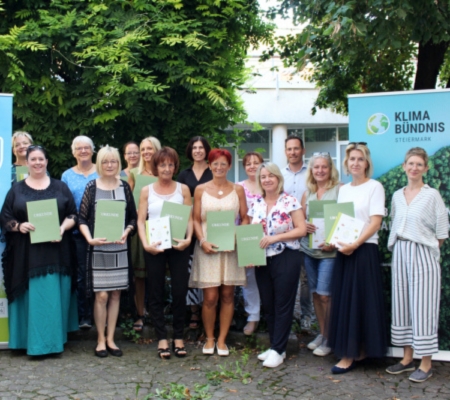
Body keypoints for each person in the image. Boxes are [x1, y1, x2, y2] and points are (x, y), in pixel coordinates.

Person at [0, 145, 78, 355]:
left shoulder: (60, 187)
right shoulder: (16, 189)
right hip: (26, 254)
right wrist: (19, 226)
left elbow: (73, 215)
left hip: (56, 251)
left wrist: (62, 228)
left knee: (51, 299)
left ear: (46, 162)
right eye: (33, 159)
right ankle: (26, 342)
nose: (37, 163)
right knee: (30, 299)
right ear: (26, 162)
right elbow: (5, 217)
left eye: (41, 159)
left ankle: (53, 343)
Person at [385, 147, 448, 383]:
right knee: (402, 306)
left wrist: (427, 251)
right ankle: (406, 358)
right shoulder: (397, 195)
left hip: (423, 254)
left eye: (419, 164)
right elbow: (393, 222)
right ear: (404, 166)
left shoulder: (432, 195)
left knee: (423, 308)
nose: (414, 168)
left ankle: (426, 363)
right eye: (410, 163)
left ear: (426, 168)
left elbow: (441, 232)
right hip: (400, 253)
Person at [327, 142, 387, 374]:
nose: (355, 163)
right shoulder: (344, 189)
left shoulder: (375, 187)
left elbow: (375, 222)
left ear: (367, 163)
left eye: (360, 159)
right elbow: (343, 221)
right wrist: (335, 240)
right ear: (346, 163)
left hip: (363, 250)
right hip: (345, 251)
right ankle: (352, 351)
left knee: (361, 301)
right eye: (351, 159)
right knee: (347, 301)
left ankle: (354, 354)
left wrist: (355, 244)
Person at [79, 146, 137, 357]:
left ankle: (111, 339)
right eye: (105, 162)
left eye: (113, 161)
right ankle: (100, 339)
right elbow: (82, 218)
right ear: (100, 164)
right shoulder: (92, 187)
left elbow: (133, 218)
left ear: (118, 164)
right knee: (101, 295)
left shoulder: (124, 187)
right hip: (99, 249)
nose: (110, 165)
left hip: (119, 248)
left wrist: (127, 231)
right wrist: (89, 239)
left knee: (115, 294)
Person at [189, 149, 248, 356]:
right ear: (209, 165)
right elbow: (195, 219)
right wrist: (202, 240)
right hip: (208, 248)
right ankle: (209, 337)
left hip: (230, 248)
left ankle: (222, 340)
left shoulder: (238, 189)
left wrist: (241, 239)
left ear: (229, 166)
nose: (219, 167)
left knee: (227, 295)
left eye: (223, 164)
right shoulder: (200, 190)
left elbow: (245, 217)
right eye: (215, 164)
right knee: (210, 297)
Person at [138, 147, 193, 359]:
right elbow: (141, 220)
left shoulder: (183, 189)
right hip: (155, 246)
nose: (167, 168)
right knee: (156, 291)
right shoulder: (147, 191)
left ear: (175, 166)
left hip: (179, 246)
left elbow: (188, 218)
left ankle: (178, 336)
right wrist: (145, 244)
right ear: (156, 166)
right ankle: (162, 337)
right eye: (162, 164)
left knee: (180, 291)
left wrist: (188, 239)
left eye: (171, 164)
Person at [249, 162, 307, 368]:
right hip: (261, 260)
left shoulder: (289, 201)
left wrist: (275, 238)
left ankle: (279, 349)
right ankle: (275, 346)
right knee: (269, 303)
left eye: (270, 176)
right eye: (263, 177)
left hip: (286, 256)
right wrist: (247, 254)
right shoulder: (255, 203)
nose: (267, 179)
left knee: (283, 304)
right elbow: (250, 233)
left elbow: (301, 230)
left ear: (278, 178)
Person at [301, 153, 341, 357]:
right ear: (311, 170)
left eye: (324, 167)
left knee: (326, 295)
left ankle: (331, 338)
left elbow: (345, 219)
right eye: (316, 167)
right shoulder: (308, 192)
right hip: (309, 250)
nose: (320, 171)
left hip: (329, 252)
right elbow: (300, 220)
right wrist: (304, 225)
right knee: (316, 293)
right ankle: (322, 333)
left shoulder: (339, 190)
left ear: (330, 168)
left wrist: (335, 239)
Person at [61, 136, 99, 330]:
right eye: (79, 148)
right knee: (82, 274)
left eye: (86, 148)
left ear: (93, 150)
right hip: (76, 233)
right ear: (73, 152)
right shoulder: (67, 175)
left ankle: (102, 315)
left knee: (101, 274)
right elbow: (64, 204)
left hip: (101, 230)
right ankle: (84, 316)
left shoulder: (102, 171)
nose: (83, 151)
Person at [177, 136, 213, 329]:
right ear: (190, 151)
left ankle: (208, 308)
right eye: (194, 148)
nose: (198, 151)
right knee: (190, 269)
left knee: (208, 267)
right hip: (187, 227)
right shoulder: (183, 175)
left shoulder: (213, 172)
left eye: (201, 148)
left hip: (209, 227)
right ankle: (193, 311)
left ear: (206, 150)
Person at [128, 136, 161, 331]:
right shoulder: (134, 173)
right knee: (138, 276)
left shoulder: (164, 172)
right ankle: (140, 313)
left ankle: (156, 313)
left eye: (150, 148)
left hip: (158, 228)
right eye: (143, 149)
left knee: (156, 275)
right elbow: (128, 201)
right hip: (139, 229)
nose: (146, 152)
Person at [282, 135, 313, 331]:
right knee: (286, 275)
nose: (292, 152)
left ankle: (306, 316)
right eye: (289, 149)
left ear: (303, 150)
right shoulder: (279, 175)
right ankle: (289, 315)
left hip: (307, 232)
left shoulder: (311, 173)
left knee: (305, 278)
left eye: (296, 148)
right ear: (285, 152)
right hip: (284, 234)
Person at [237, 152, 263, 335]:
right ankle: (252, 316)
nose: (252, 166)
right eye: (248, 163)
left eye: (256, 163)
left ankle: (269, 315)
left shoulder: (269, 183)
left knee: (268, 278)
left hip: (268, 240)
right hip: (246, 237)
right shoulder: (238, 187)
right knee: (248, 279)